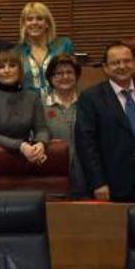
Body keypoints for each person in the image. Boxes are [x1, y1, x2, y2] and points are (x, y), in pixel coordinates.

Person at [75, 42, 135, 202]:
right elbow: (86, 144)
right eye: (115, 63)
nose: (122, 66)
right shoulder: (91, 98)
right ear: (105, 68)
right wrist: (98, 182)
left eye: (127, 61)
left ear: (134, 64)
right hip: (113, 181)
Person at [0, 51, 50, 165]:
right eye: (1, 67)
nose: (7, 70)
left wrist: (40, 144)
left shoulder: (33, 98)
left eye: (12, 65)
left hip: (29, 159)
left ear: (20, 70)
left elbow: (42, 129)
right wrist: (20, 146)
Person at [43, 54, 87, 198]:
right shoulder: (40, 105)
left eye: (69, 72)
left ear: (77, 75)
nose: (65, 77)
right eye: (59, 73)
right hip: (53, 172)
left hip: (85, 171)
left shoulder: (88, 103)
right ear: (50, 77)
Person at [15, 2, 74, 101]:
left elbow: (73, 77)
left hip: (60, 105)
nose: (34, 22)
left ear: (47, 23)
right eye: (29, 19)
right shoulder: (16, 52)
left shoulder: (64, 45)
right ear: (24, 24)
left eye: (39, 18)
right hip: (28, 107)